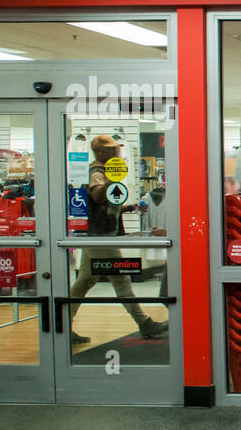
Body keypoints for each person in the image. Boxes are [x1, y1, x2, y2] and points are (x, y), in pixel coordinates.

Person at [69, 135, 168, 343]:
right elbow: (97, 196)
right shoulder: (97, 172)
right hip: (100, 238)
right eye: (114, 150)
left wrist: (129, 207)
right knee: (121, 279)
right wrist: (113, 180)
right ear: (101, 152)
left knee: (86, 279)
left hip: (96, 235)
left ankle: (61, 324)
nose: (118, 154)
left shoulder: (99, 171)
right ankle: (144, 323)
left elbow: (102, 206)